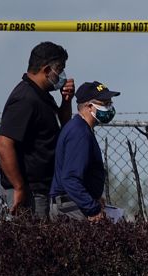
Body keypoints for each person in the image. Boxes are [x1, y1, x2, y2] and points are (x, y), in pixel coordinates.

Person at [0, 41, 75, 218]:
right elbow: (3, 144)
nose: (62, 75)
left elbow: (62, 124)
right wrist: (19, 187)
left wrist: (67, 101)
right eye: (59, 69)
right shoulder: (25, 99)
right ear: (46, 70)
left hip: (44, 189)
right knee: (29, 241)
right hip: (30, 192)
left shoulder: (43, 96)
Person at [49, 81, 120, 221]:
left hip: (73, 203)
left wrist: (93, 197)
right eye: (105, 103)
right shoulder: (79, 133)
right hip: (70, 207)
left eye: (110, 103)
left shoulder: (81, 128)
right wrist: (91, 208)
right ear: (89, 107)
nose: (109, 108)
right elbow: (70, 178)